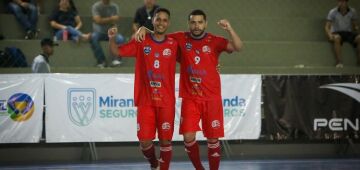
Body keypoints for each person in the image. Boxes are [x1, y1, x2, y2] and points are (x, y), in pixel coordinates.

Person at [136, 9, 243, 170]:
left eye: (200, 22)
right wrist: (144, 29)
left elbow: (238, 47)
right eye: (193, 22)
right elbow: (159, 35)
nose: (196, 25)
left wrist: (229, 29)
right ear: (189, 24)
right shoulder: (179, 38)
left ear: (205, 24)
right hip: (190, 98)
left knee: (213, 139)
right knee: (188, 137)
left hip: (212, 98)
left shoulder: (215, 41)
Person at [109, 8, 177, 170]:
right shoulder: (142, 41)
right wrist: (111, 38)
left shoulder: (174, 43)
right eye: (158, 19)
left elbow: (194, 56)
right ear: (152, 21)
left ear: (169, 23)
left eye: (164, 20)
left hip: (166, 101)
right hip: (146, 101)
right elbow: (117, 51)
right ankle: (154, 164)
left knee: (166, 141)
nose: (161, 22)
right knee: (145, 141)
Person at [325, 0, 360, 68]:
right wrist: (329, 35)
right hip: (337, 32)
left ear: (347, 3)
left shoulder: (352, 11)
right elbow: (327, 26)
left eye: (344, 2)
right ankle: (339, 62)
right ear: (338, 2)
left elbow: (355, 24)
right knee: (337, 38)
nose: (342, 4)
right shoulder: (333, 12)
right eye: (340, 2)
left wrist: (356, 27)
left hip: (348, 33)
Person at [91, 0, 125, 68]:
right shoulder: (96, 6)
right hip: (99, 32)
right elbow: (97, 20)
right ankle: (101, 61)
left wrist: (114, 27)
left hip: (111, 31)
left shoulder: (114, 7)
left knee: (120, 38)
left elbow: (116, 20)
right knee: (93, 37)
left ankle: (116, 60)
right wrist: (111, 19)